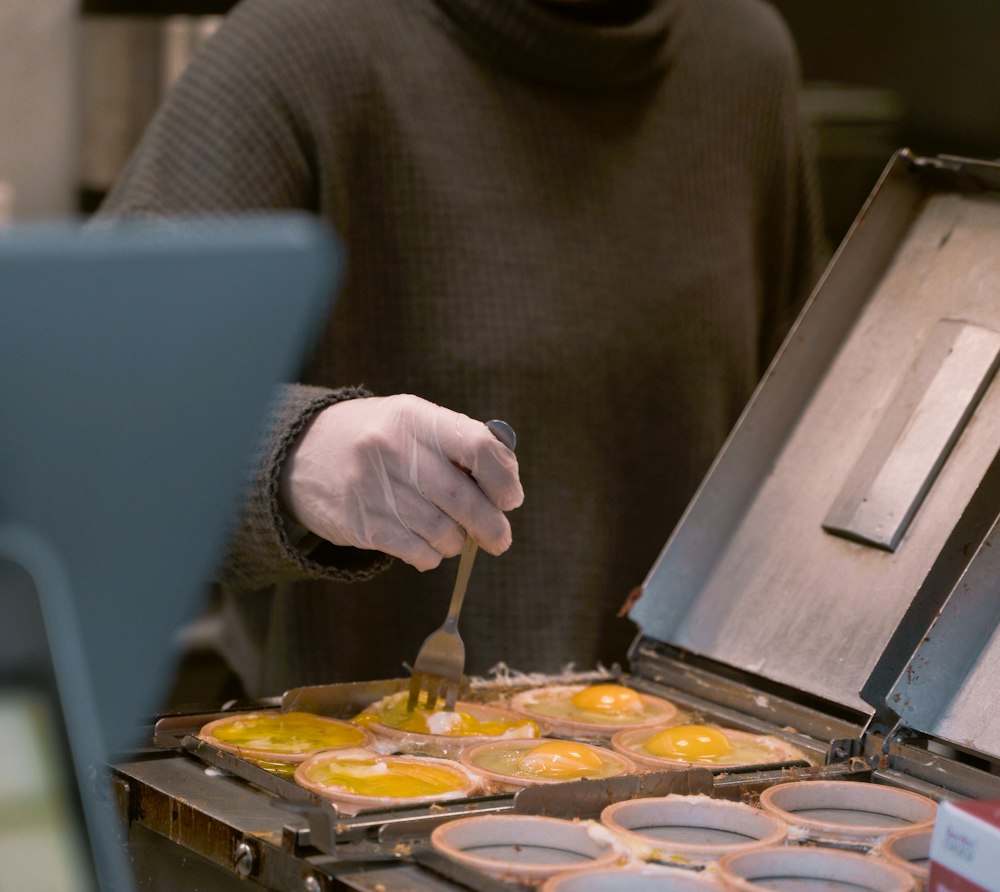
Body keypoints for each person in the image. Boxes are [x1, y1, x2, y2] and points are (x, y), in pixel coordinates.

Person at [100, 0, 823, 698]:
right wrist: (289, 452)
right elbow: (83, 412)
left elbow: (805, 432)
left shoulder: (748, 60)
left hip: (693, 784)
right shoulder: (297, 45)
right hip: (364, 780)